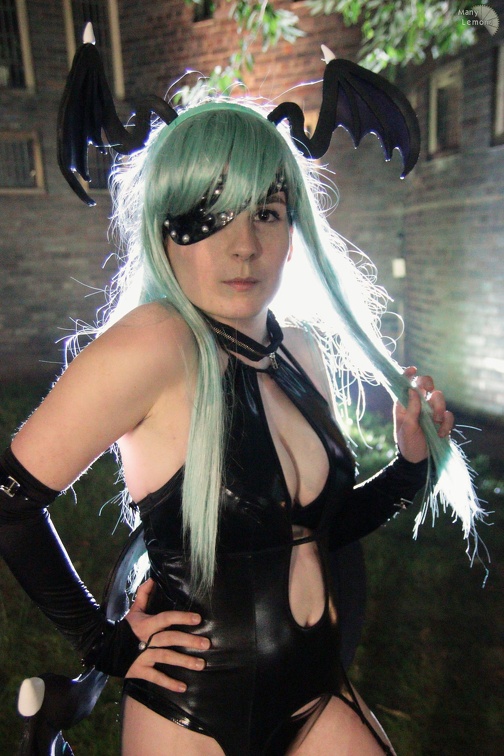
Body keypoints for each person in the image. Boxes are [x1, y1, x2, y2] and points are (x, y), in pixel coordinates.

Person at [0, 46, 483, 756]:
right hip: (192, 713)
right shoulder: (153, 348)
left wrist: (410, 467)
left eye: (267, 213)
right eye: (211, 216)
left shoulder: (299, 351)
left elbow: (315, 532)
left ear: (294, 230)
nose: (245, 247)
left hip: (315, 690)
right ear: (165, 229)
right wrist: (104, 644)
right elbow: (10, 504)